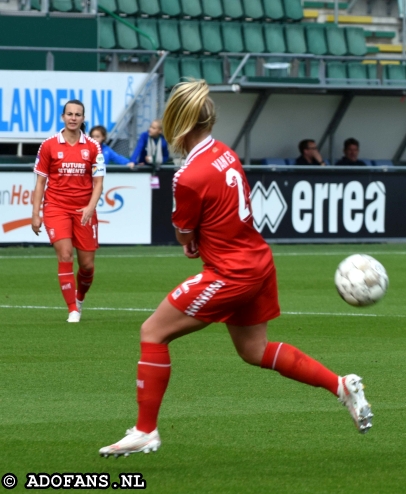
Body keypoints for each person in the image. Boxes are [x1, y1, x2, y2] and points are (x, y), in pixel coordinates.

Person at [99, 80, 372, 458]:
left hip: (231, 273)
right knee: (254, 350)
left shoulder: (188, 175)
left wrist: (192, 241)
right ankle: (340, 385)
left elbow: (183, 236)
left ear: (181, 122)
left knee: (153, 332)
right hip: (258, 261)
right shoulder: (226, 154)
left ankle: (145, 430)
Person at [31, 100, 105, 323]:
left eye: (78, 115)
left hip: (84, 209)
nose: (73, 118)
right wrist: (36, 213)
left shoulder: (93, 146)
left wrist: (90, 208)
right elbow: (40, 183)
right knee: (64, 254)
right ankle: (72, 308)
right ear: (63, 117)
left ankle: (80, 298)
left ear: (83, 119)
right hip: (56, 207)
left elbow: (99, 182)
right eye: (70, 114)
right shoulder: (48, 145)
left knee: (87, 265)